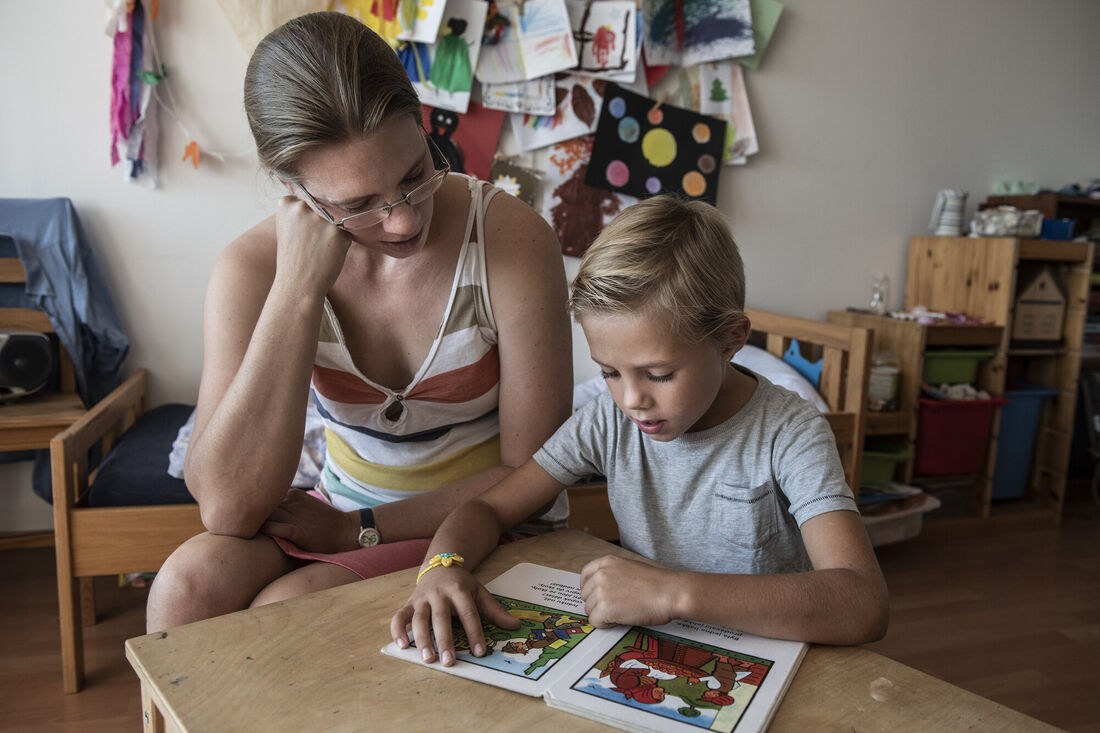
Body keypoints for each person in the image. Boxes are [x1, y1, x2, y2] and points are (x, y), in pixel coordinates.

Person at [145, 12, 573, 631]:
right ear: (292, 189)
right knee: (186, 585)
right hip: (342, 512)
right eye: (358, 204)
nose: (403, 221)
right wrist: (297, 292)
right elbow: (228, 510)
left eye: (415, 175)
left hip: (486, 523)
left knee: (287, 608)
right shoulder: (251, 268)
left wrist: (359, 529)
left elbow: (533, 474)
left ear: (422, 124)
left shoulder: (510, 240)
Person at [390, 195, 889, 665]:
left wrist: (673, 592)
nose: (631, 400)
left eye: (659, 374)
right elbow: (488, 508)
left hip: (771, 665)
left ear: (731, 339)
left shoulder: (791, 434)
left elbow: (863, 601)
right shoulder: (608, 421)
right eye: (609, 372)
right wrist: (442, 566)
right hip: (653, 654)